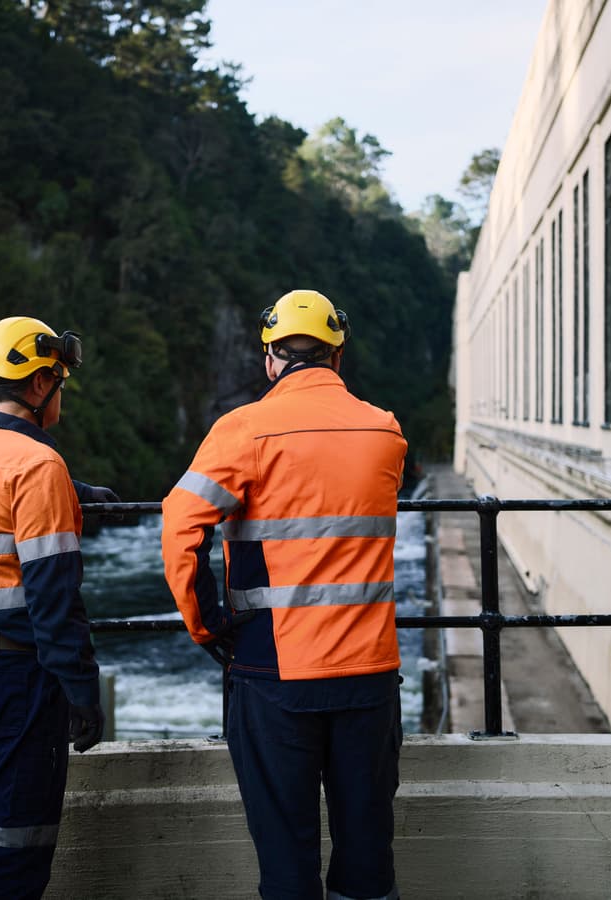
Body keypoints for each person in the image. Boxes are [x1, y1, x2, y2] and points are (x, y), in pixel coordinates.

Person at [161, 289, 407, 900]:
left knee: (287, 855)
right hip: (369, 676)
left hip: (273, 673)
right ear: (337, 356)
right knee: (367, 853)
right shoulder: (386, 431)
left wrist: (204, 623)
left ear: (271, 357)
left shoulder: (241, 431)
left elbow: (179, 526)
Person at [0, 316, 118, 900]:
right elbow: (54, 598)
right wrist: (82, 691)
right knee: (15, 854)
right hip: (16, 680)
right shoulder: (40, 468)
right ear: (38, 387)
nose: (60, 391)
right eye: (58, 380)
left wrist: (74, 491)